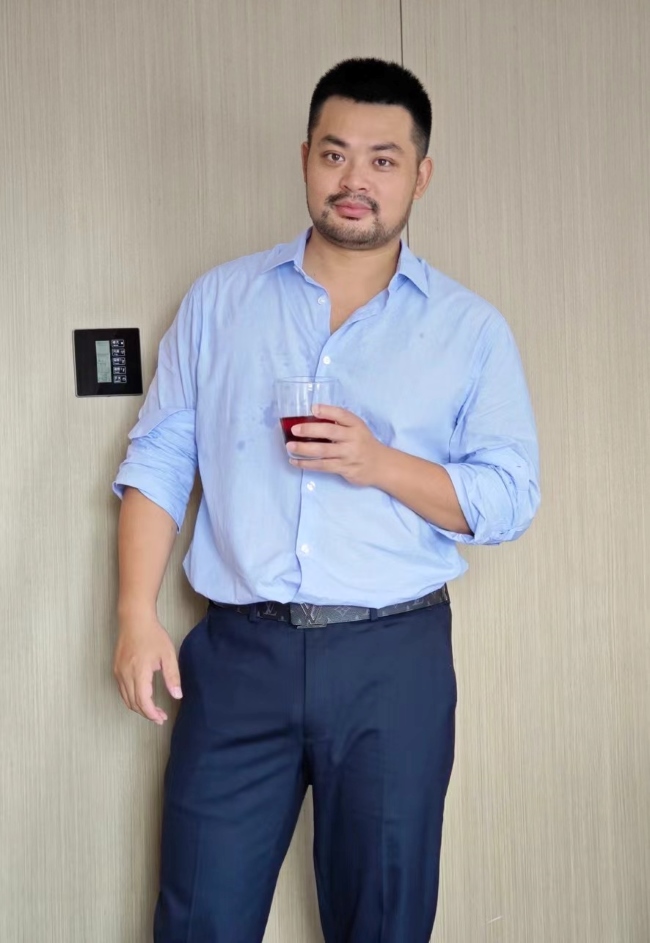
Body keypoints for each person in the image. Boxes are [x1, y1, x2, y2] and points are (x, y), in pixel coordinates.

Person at [112, 57, 540, 943]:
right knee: (198, 918)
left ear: (421, 175)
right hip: (239, 654)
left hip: (393, 658)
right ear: (305, 158)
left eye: (383, 160)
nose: (355, 180)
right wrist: (134, 612)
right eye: (335, 154)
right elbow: (160, 458)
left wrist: (380, 463)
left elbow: (508, 499)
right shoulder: (221, 301)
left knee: (383, 920)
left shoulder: (469, 329)